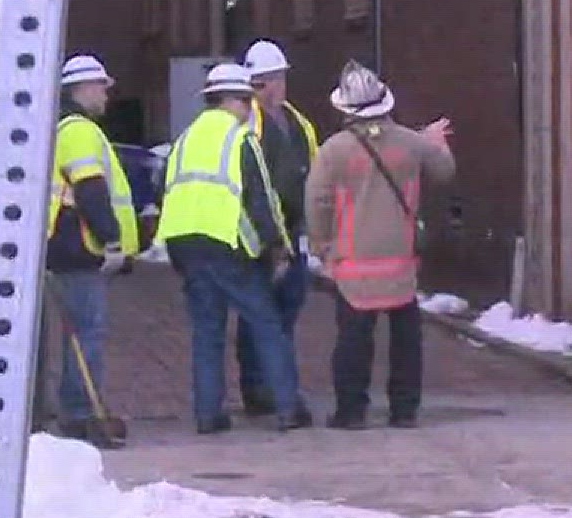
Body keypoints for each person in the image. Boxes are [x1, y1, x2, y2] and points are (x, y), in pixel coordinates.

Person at [155, 62, 312, 434]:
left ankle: (208, 414)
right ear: (239, 100)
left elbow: (167, 189)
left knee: (206, 332)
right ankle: (289, 408)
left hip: (185, 246)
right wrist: (278, 248)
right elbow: (262, 201)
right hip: (228, 246)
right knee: (266, 324)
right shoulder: (241, 139)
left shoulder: (183, 140)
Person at [305, 61, 455, 429]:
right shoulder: (410, 143)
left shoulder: (333, 151)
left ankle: (351, 411)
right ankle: (404, 409)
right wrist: (435, 141)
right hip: (399, 259)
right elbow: (443, 171)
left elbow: (317, 201)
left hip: (353, 262)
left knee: (353, 341)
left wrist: (322, 246)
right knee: (406, 340)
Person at [42, 54, 141, 447]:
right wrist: (111, 240)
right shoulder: (80, 131)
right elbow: (91, 189)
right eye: (101, 86)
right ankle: (81, 414)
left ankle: (77, 410)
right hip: (78, 246)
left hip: (67, 245)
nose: (106, 93)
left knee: (80, 332)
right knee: (87, 333)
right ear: (82, 89)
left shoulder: (66, 128)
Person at [235, 38, 321, 417]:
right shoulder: (248, 122)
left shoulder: (297, 122)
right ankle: (259, 387)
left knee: (285, 312)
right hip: (262, 236)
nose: (275, 87)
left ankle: (273, 382)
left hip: (293, 231)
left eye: (277, 79)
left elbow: (313, 172)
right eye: (268, 80)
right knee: (260, 316)